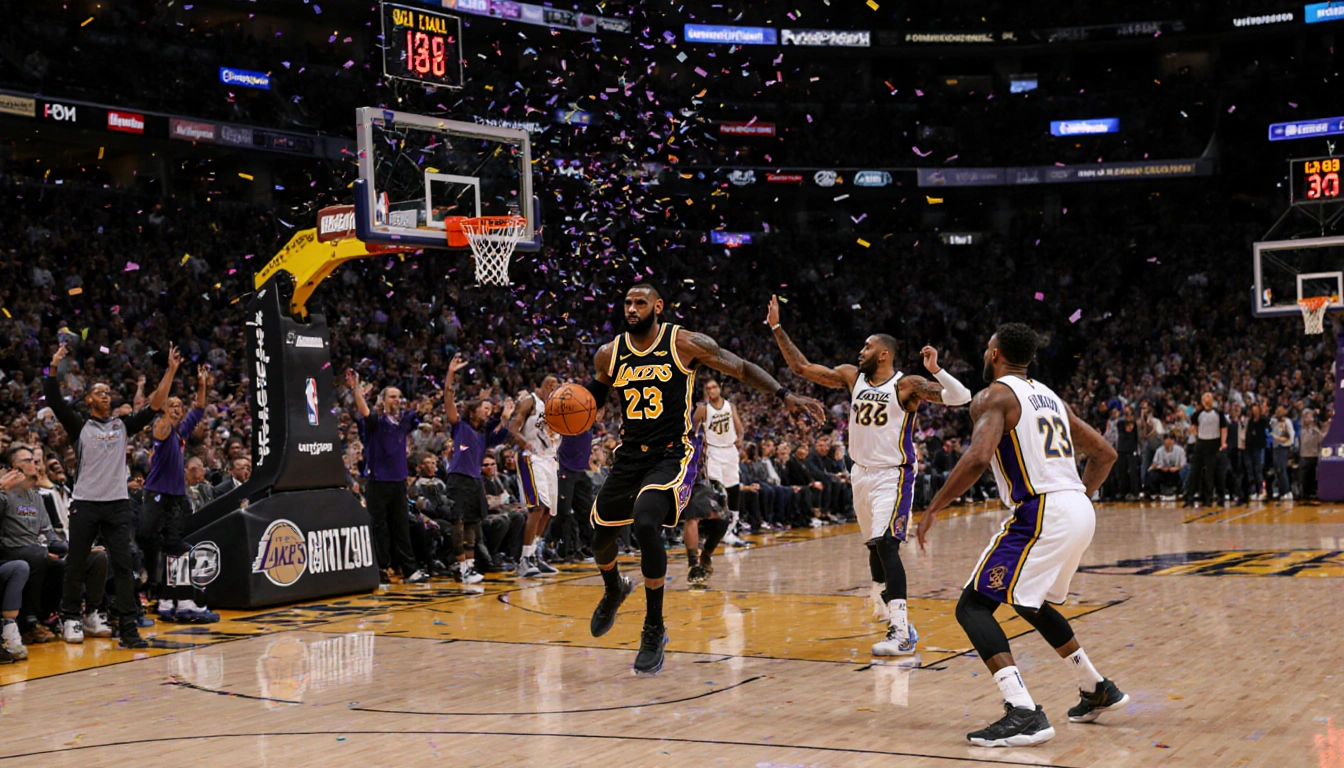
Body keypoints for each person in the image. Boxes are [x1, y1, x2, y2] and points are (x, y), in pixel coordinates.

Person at [583, 282, 825, 676]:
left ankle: (654, 627)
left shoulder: (683, 343)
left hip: (670, 454)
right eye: (627, 302)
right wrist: (563, 411)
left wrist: (784, 395)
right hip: (628, 457)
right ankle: (614, 589)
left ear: (658, 307)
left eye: (640, 302)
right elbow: (592, 398)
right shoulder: (609, 354)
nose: (631, 308)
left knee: (645, 521)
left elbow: (741, 367)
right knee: (600, 537)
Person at [915, 323, 1125, 748]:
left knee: (973, 606)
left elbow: (978, 457)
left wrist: (934, 506)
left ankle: (1023, 711)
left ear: (995, 354)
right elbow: (1105, 453)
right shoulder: (1052, 398)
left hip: (1042, 509)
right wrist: (1076, 498)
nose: (985, 352)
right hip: (1076, 507)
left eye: (986, 347)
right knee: (1030, 602)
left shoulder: (993, 396)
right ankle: (1096, 687)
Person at [768, 294, 971, 655]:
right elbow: (802, 368)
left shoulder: (907, 385)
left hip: (892, 475)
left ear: (883, 354)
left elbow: (961, 397)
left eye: (867, 346)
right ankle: (880, 597)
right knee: (874, 545)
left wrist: (936, 369)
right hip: (859, 474)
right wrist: (777, 327)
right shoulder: (852, 377)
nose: (860, 351)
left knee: (887, 544)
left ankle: (902, 631)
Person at [43, 341, 177, 648]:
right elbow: (54, 399)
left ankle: (128, 628)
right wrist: (54, 365)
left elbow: (155, 405)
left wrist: (170, 371)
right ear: (89, 399)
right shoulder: (80, 425)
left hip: (117, 504)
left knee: (123, 565)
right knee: (76, 563)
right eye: (100, 392)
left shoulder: (122, 426)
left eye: (108, 392)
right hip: (86, 503)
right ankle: (72, 617)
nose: (106, 395)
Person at [141, 365, 217, 624]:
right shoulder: (161, 428)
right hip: (157, 495)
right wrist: (171, 371)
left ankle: (176, 602)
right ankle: (155, 594)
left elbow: (199, 408)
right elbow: (158, 406)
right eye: (171, 405)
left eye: (178, 405)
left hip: (175, 498)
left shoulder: (180, 434)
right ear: (163, 409)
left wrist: (202, 384)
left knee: (177, 550)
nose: (176, 408)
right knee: (152, 543)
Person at [346, 369, 435, 584]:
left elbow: (421, 413)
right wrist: (356, 388)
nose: (397, 400)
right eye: (392, 396)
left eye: (399, 397)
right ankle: (381, 569)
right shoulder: (376, 421)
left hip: (398, 481)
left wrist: (428, 403)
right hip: (377, 481)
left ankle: (409, 570)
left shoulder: (403, 421)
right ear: (383, 400)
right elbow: (363, 409)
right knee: (379, 526)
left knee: (402, 526)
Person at [443, 355, 514, 584]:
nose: (488, 411)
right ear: (473, 411)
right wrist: (451, 373)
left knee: (472, 524)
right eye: (485, 408)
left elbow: (501, 435)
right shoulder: (460, 426)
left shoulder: (483, 436)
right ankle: (461, 566)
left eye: (490, 409)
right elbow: (448, 398)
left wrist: (505, 417)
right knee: (458, 523)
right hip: (459, 479)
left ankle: (470, 567)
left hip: (475, 481)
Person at [507, 376, 561, 578]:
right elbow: (513, 428)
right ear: (541, 385)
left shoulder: (557, 406)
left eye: (556, 386)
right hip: (532, 458)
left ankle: (534, 555)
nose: (553, 388)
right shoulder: (531, 401)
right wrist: (524, 443)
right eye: (550, 384)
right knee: (537, 507)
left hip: (549, 458)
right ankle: (524, 560)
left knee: (548, 511)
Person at [694, 378, 746, 544]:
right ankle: (713, 529)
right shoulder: (703, 409)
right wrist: (698, 444)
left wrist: (740, 440)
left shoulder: (730, 406)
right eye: (708, 388)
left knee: (734, 490)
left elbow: (740, 429)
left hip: (730, 450)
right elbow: (692, 429)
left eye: (714, 387)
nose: (711, 390)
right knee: (716, 492)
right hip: (713, 451)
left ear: (720, 388)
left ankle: (731, 529)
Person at [553, 428, 597, 563]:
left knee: (586, 510)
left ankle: (585, 546)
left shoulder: (588, 421)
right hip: (564, 469)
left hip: (581, 470)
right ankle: (565, 550)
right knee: (564, 512)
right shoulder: (565, 422)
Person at [1184, 393, 1227, 509]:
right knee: (1195, 471)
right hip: (1201, 443)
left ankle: (1209, 499)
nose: (1206, 401)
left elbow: (1223, 429)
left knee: (1210, 473)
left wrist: (1222, 443)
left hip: (1214, 443)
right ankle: (1190, 497)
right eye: (1204, 399)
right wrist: (1197, 436)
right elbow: (1193, 427)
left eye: (1208, 399)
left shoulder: (1218, 413)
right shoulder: (1197, 414)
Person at [1144, 434, 1186, 499]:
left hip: (1176, 471)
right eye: (1166, 441)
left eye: (1170, 440)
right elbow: (1154, 464)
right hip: (1163, 472)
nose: (1168, 442)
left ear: (1173, 441)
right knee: (1151, 473)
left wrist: (1177, 468)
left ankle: (1182, 491)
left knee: (1185, 471)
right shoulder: (1159, 451)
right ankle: (1154, 492)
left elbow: (1183, 463)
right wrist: (1160, 467)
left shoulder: (1180, 450)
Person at [1298, 409, 1326, 504]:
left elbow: (1320, 439)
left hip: (1313, 455)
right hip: (1304, 455)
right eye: (1307, 416)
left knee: (1312, 476)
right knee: (1304, 477)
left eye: (1311, 416)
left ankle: (1311, 494)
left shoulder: (1315, 428)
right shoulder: (1301, 428)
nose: (1310, 419)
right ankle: (1305, 495)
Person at [1269, 406, 1295, 501]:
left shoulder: (1287, 422)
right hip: (1276, 447)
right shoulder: (1273, 421)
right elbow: (1270, 429)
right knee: (1277, 470)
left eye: (1281, 411)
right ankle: (1281, 491)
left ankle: (1287, 491)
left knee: (1282, 469)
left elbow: (1291, 435)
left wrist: (1286, 441)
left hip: (1284, 447)